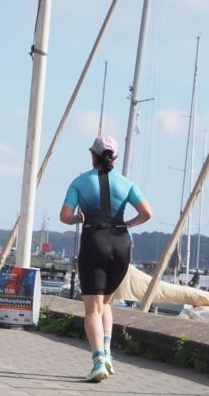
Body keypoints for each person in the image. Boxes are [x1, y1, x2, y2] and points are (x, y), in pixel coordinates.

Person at [59, 135, 151, 382]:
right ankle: (108, 354)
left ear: (93, 155)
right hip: (122, 244)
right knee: (106, 304)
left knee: (92, 309)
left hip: (94, 242)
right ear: (115, 157)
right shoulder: (127, 183)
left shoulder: (79, 182)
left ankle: (99, 360)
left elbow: (65, 216)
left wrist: (81, 218)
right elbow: (147, 213)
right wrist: (126, 224)